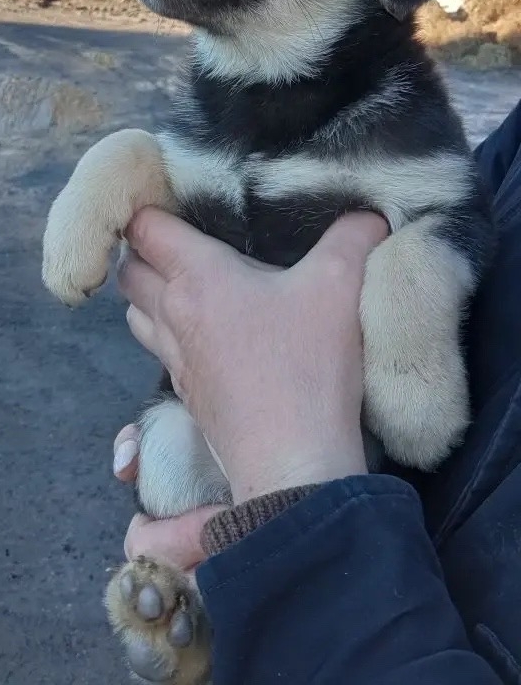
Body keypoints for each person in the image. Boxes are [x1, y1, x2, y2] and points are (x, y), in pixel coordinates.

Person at [113, 101, 521, 684]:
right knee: (170, 460)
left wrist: (291, 502)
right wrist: (214, 369)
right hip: (383, 564)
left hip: (349, 604)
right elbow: (458, 204)